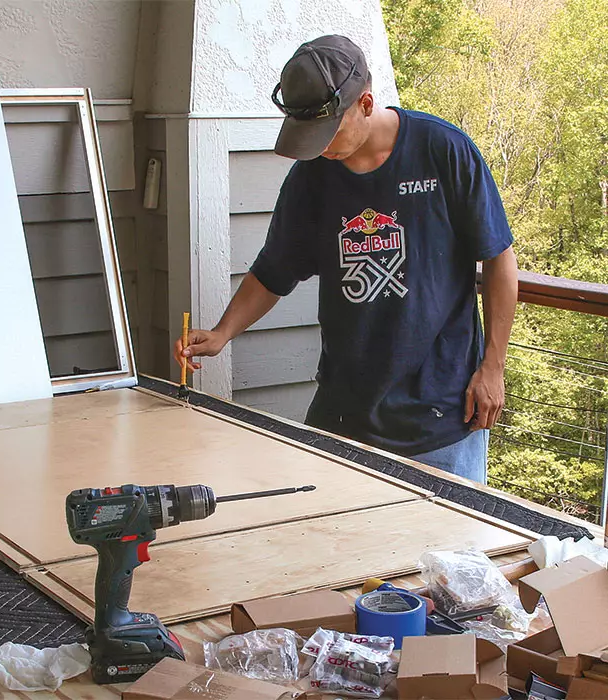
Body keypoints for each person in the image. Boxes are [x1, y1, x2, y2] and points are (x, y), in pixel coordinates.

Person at [173, 35, 518, 484]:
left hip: (442, 414)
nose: (319, 147)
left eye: (327, 132)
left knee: (446, 553)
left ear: (366, 103)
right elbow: (275, 269)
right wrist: (222, 332)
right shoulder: (312, 177)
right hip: (344, 413)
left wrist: (493, 367)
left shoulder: (443, 151)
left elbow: (499, 260)